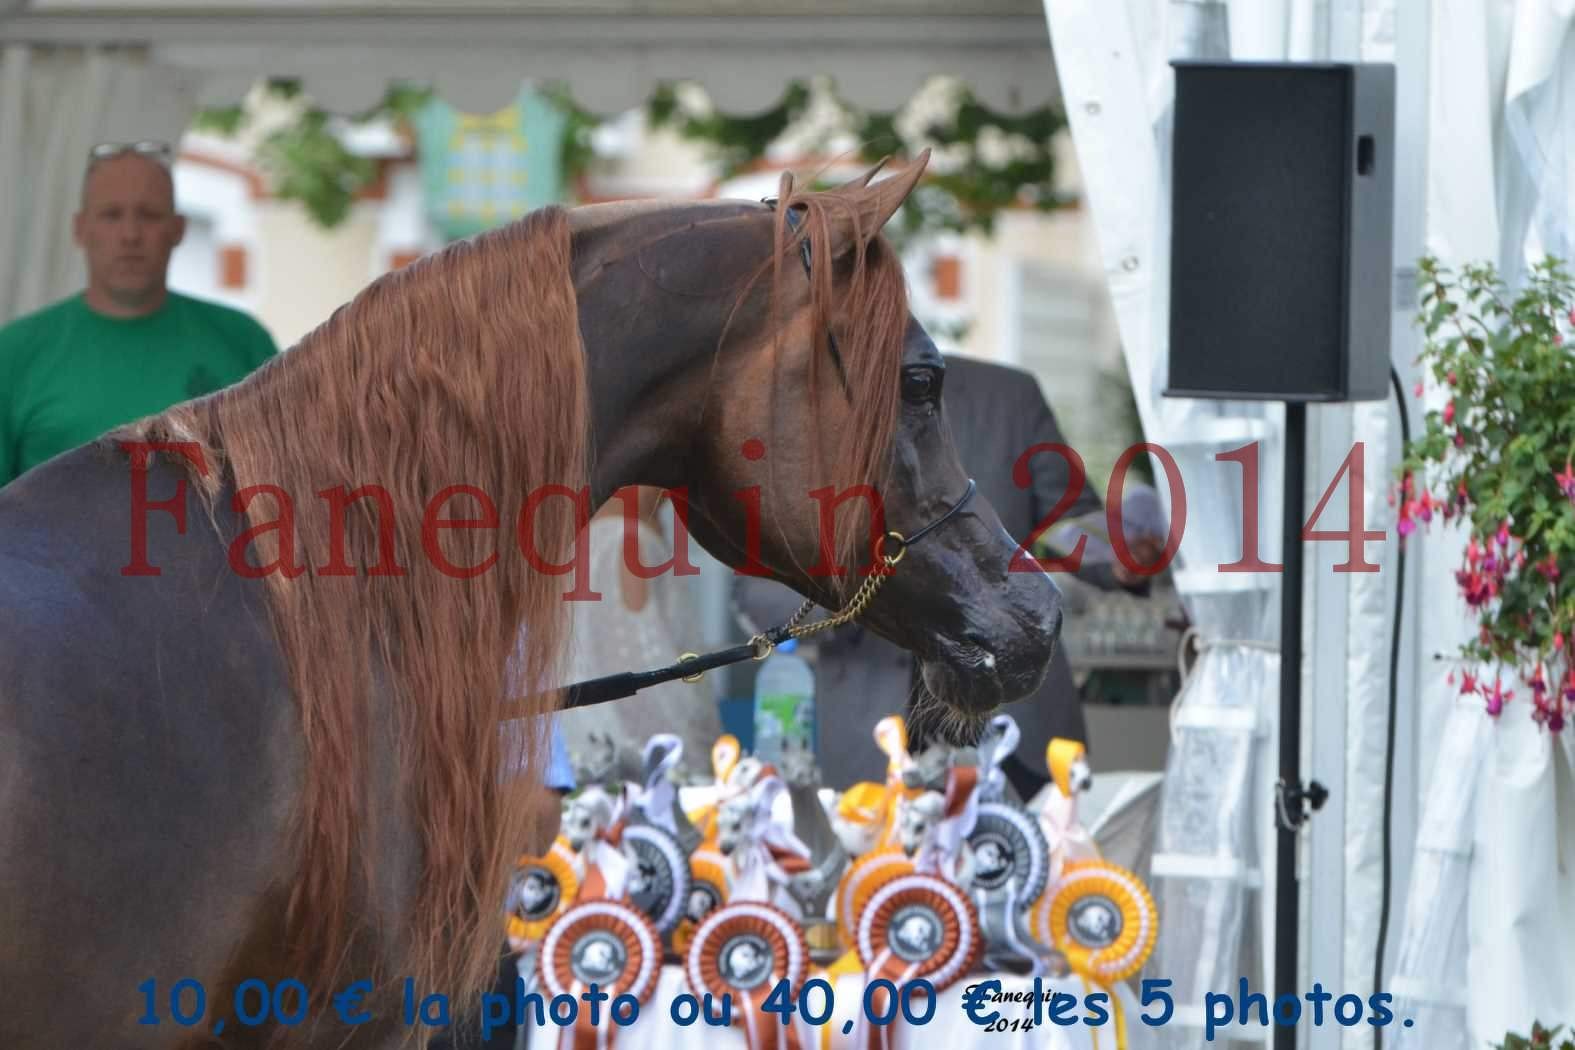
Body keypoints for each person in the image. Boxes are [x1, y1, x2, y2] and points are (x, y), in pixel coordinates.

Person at [733, 354, 1166, 799]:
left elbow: (1072, 523)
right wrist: (863, 595)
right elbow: (755, 591)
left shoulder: (1009, 396)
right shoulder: (800, 413)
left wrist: (1121, 555)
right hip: (871, 749)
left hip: (1015, 733)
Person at [0, 140, 278, 488]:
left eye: (148, 215)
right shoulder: (13, 354)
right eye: (111, 215)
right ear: (80, 229)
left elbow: (285, 486)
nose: (130, 235)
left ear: (178, 229)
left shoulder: (243, 340)